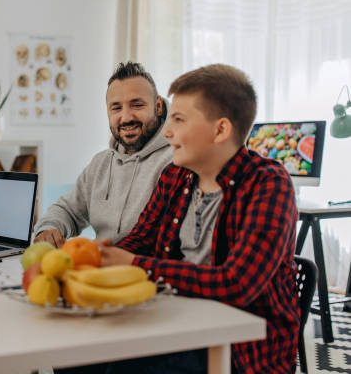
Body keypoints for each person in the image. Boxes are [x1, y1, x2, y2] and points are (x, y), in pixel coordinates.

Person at [61, 64, 298, 373]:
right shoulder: (176, 176)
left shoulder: (267, 184)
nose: (167, 131)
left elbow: (237, 284)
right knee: (72, 353)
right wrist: (89, 261)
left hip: (241, 350)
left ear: (220, 130)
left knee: (120, 367)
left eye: (179, 119)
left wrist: (133, 264)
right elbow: (139, 241)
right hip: (175, 322)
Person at [33, 62, 172, 248]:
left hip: (144, 272)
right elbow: (68, 210)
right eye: (116, 108)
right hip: (99, 268)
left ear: (159, 106)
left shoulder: (176, 161)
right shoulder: (101, 163)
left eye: (137, 105)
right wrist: (49, 228)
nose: (126, 117)